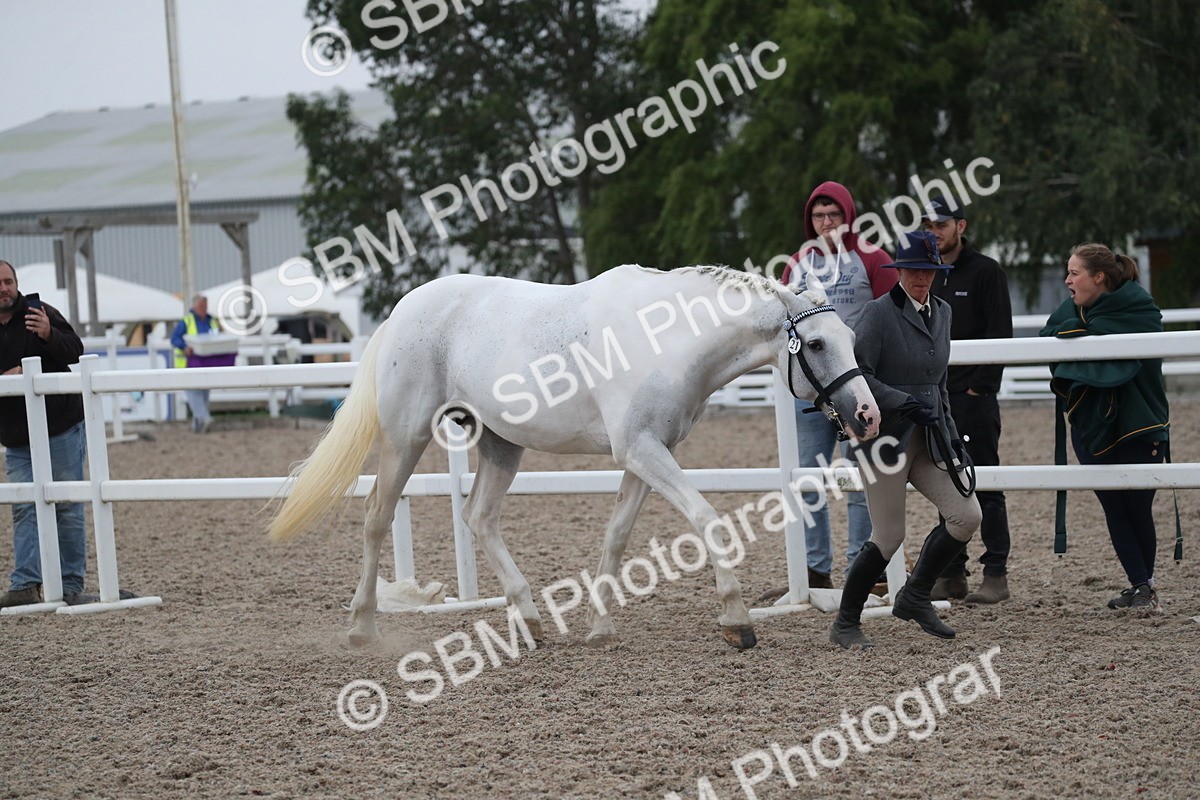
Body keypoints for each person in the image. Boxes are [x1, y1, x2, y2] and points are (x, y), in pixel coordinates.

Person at [830, 230, 982, 649]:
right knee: (889, 535)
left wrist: (952, 437)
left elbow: (941, 383)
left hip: (930, 437)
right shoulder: (877, 315)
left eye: (929, 272)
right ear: (901, 271)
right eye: (915, 271)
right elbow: (857, 378)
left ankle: (914, 594)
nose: (922, 279)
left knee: (966, 516)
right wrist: (903, 401)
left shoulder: (944, 312)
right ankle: (845, 622)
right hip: (884, 438)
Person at [779, 181, 896, 589]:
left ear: (848, 216)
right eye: (818, 216)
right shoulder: (796, 263)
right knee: (808, 479)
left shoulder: (872, 258)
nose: (826, 223)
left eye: (834, 215)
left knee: (857, 480)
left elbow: (892, 319)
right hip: (810, 393)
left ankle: (863, 568)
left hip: (856, 389)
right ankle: (815, 570)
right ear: (809, 220)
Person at [1040, 243, 1169, 610]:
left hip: (1139, 422)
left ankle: (1146, 585)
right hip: (1091, 423)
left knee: (1138, 506)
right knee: (1114, 506)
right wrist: (1078, 329)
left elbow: (1071, 333)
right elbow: (1050, 335)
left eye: (1074, 272)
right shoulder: (1076, 310)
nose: (1067, 280)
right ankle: (1141, 584)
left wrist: (1079, 331)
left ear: (1098, 277)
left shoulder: (1139, 309)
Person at [923, 196, 1014, 604]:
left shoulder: (986, 272)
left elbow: (1001, 332)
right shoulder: (925, 272)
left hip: (972, 398)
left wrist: (981, 388)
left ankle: (995, 572)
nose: (934, 232)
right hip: (937, 398)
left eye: (941, 224)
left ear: (961, 226)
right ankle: (953, 571)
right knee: (945, 482)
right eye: (928, 225)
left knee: (987, 483)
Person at [0, 259, 88, 608]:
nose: (4, 288)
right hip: (16, 435)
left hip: (60, 424)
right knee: (23, 505)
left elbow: (75, 351)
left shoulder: (41, 312)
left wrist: (49, 334)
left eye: (8, 281)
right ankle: (25, 583)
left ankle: (70, 585)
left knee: (67, 504)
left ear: (16, 283)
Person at [171, 294, 220, 433]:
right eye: (201, 306)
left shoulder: (212, 321)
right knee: (193, 392)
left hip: (206, 362)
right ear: (194, 306)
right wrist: (184, 347)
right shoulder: (187, 321)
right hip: (188, 363)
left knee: (204, 393)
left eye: (205, 306)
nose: (204, 308)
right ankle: (205, 418)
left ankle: (197, 426)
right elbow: (174, 338)